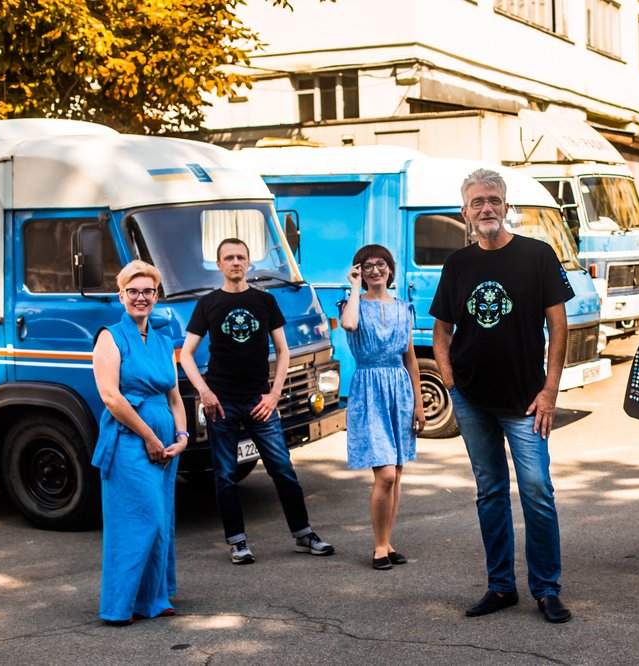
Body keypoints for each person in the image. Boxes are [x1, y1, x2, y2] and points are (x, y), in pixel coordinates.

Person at [431, 168, 574, 624]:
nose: (486, 208)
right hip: (473, 400)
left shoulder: (537, 255)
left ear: (506, 206)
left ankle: (547, 589)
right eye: (477, 202)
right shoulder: (458, 265)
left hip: (526, 400)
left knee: (537, 491)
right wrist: (451, 379)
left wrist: (550, 389)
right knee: (490, 491)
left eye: (493, 200)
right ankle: (500, 587)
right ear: (465, 213)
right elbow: (442, 328)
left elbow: (558, 324)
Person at [180, 238, 334, 564]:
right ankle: (237, 542)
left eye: (241, 257)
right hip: (221, 403)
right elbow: (187, 356)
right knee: (224, 476)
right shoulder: (207, 304)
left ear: (248, 263)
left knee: (283, 469)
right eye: (229, 258)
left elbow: (283, 351)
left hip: (259, 402)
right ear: (219, 264)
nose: (235, 262)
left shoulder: (265, 301)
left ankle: (304, 534)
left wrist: (274, 394)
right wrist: (204, 392)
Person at [92, 260, 187, 624]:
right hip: (131, 439)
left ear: (157, 296)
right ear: (122, 296)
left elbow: (175, 397)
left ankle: (153, 599)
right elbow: (111, 397)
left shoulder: (164, 341)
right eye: (133, 291)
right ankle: (119, 606)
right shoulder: (110, 337)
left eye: (148, 291)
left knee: (162, 520)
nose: (141, 297)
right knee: (139, 517)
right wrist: (148, 435)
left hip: (166, 440)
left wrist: (181, 436)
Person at [341, 244, 425, 570]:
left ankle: (387, 542)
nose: (375, 270)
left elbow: (411, 359)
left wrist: (418, 403)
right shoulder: (351, 304)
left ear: (390, 269)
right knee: (385, 474)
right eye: (367, 266)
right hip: (369, 389)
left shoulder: (404, 307)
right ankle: (378, 547)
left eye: (381, 264)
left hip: (399, 388)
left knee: (398, 471)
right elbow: (349, 326)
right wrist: (353, 286)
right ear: (359, 271)